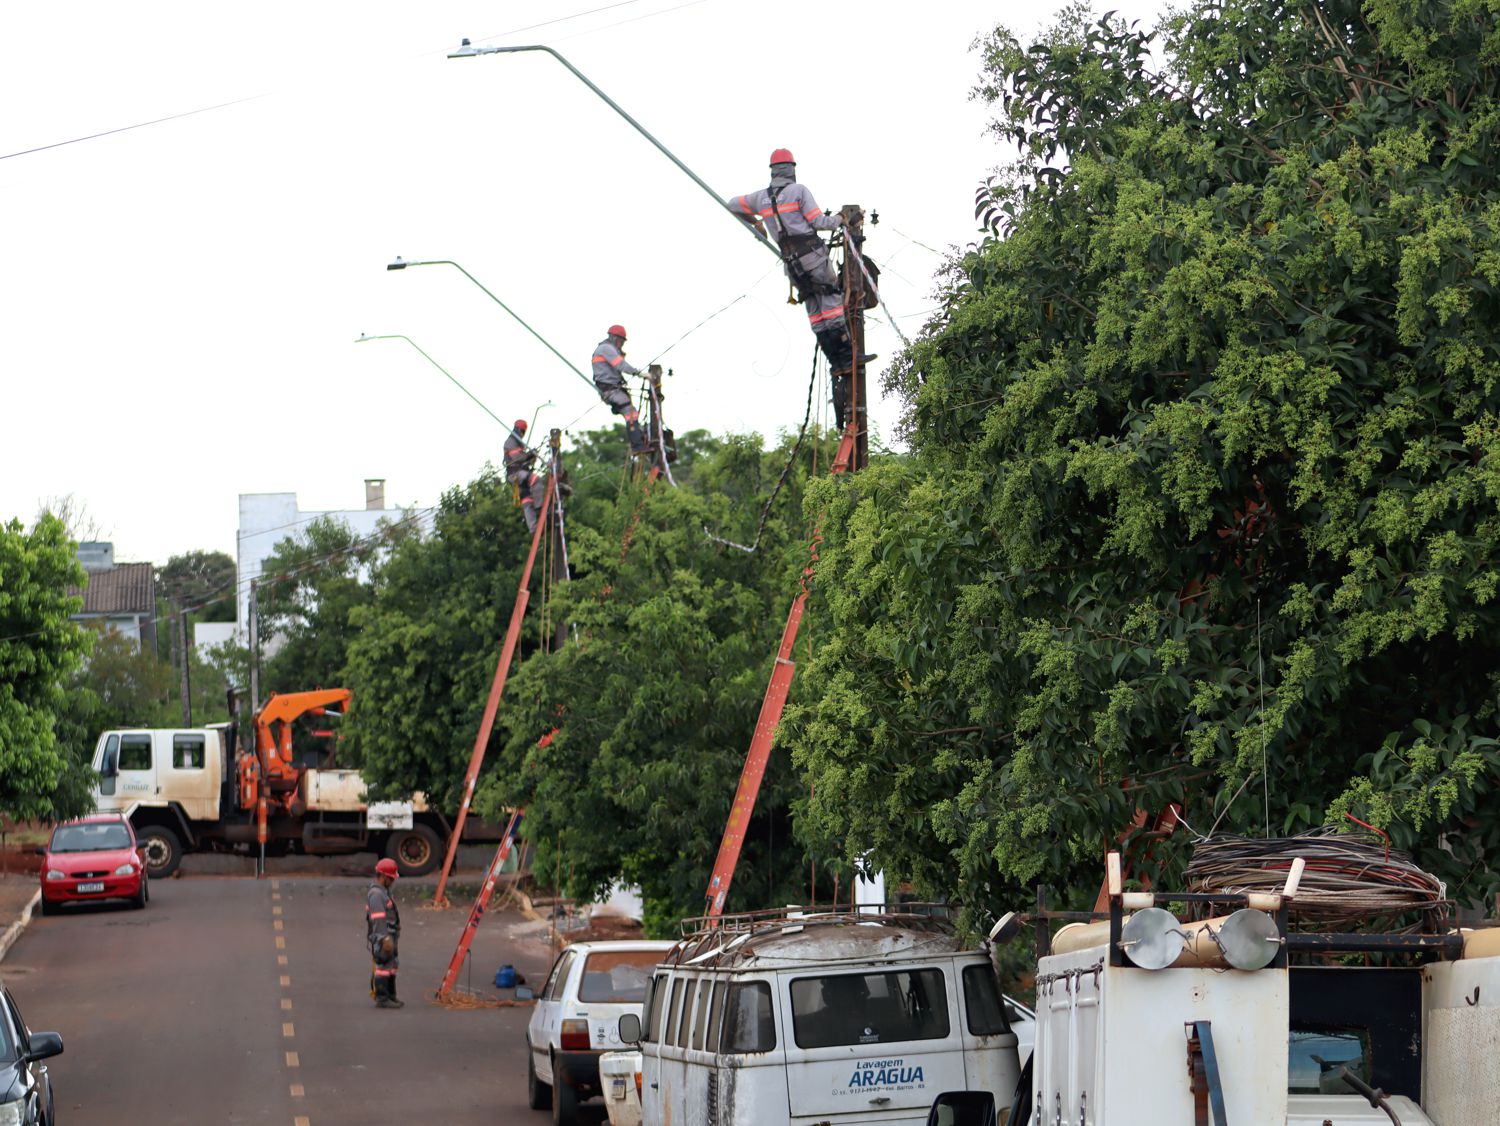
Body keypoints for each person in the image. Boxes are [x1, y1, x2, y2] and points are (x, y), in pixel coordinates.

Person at [728, 149, 873, 428]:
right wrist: (843, 220)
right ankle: (847, 358)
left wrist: (756, 222)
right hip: (812, 256)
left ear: (772, 170)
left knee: (815, 312)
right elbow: (819, 222)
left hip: (792, 266)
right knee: (830, 302)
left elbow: (732, 204)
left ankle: (835, 360)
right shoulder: (798, 191)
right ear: (791, 168)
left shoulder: (760, 198)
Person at [591, 325, 646, 452]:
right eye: (621, 341)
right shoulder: (606, 348)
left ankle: (639, 436)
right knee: (630, 412)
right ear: (615, 338)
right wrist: (639, 373)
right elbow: (621, 365)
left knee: (631, 412)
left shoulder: (608, 349)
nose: (621, 345)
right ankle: (637, 445)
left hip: (613, 388)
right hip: (610, 389)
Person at [367, 858, 403, 1009]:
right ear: (383, 876)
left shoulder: (384, 891)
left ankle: (391, 995)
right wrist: (384, 939)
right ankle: (382, 998)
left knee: (392, 965)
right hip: (384, 936)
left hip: (391, 935)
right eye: (391, 878)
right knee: (383, 966)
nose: (393, 881)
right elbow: (378, 919)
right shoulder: (376, 894)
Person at [504, 419, 546, 533]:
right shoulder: (510, 442)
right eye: (522, 431)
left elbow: (525, 460)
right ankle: (539, 508)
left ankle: (534, 529)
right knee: (536, 480)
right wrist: (528, 455)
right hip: (515, 474)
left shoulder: (519, 444)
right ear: (518, 429)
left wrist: (532, 457)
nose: (523, 434)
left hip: (520, 474)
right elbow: (518, 458)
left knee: (527, 501)